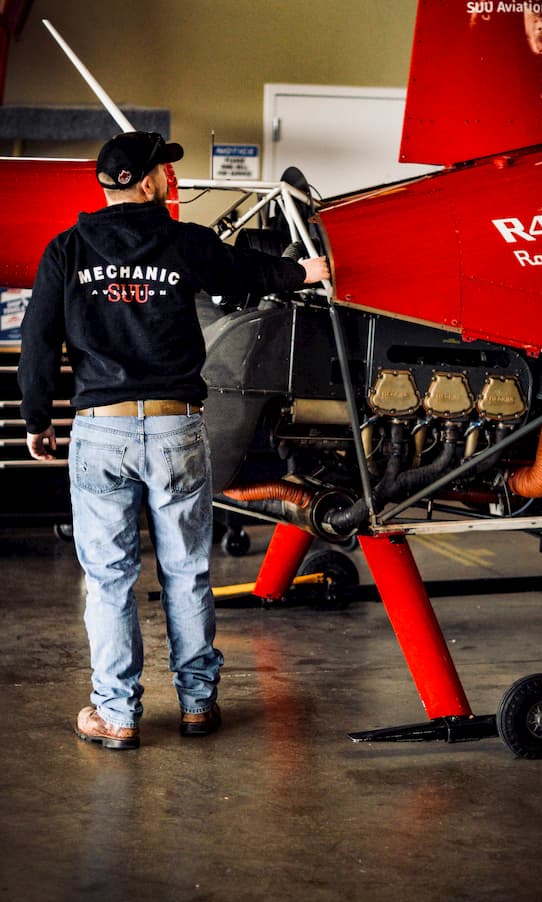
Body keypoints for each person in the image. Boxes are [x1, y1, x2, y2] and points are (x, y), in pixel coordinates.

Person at [18, 130, 329, 750]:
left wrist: (37, 420)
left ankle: (118, 714)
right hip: (175, 426)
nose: (171, 178)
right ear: (143, 181)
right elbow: (245, 273)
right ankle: (195, 706)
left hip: (101, 432)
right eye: (164, 169)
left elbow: (37, 338)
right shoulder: (183, 241)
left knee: (109, 578)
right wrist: (306, 270)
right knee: (186, 571)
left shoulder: (67, 250)